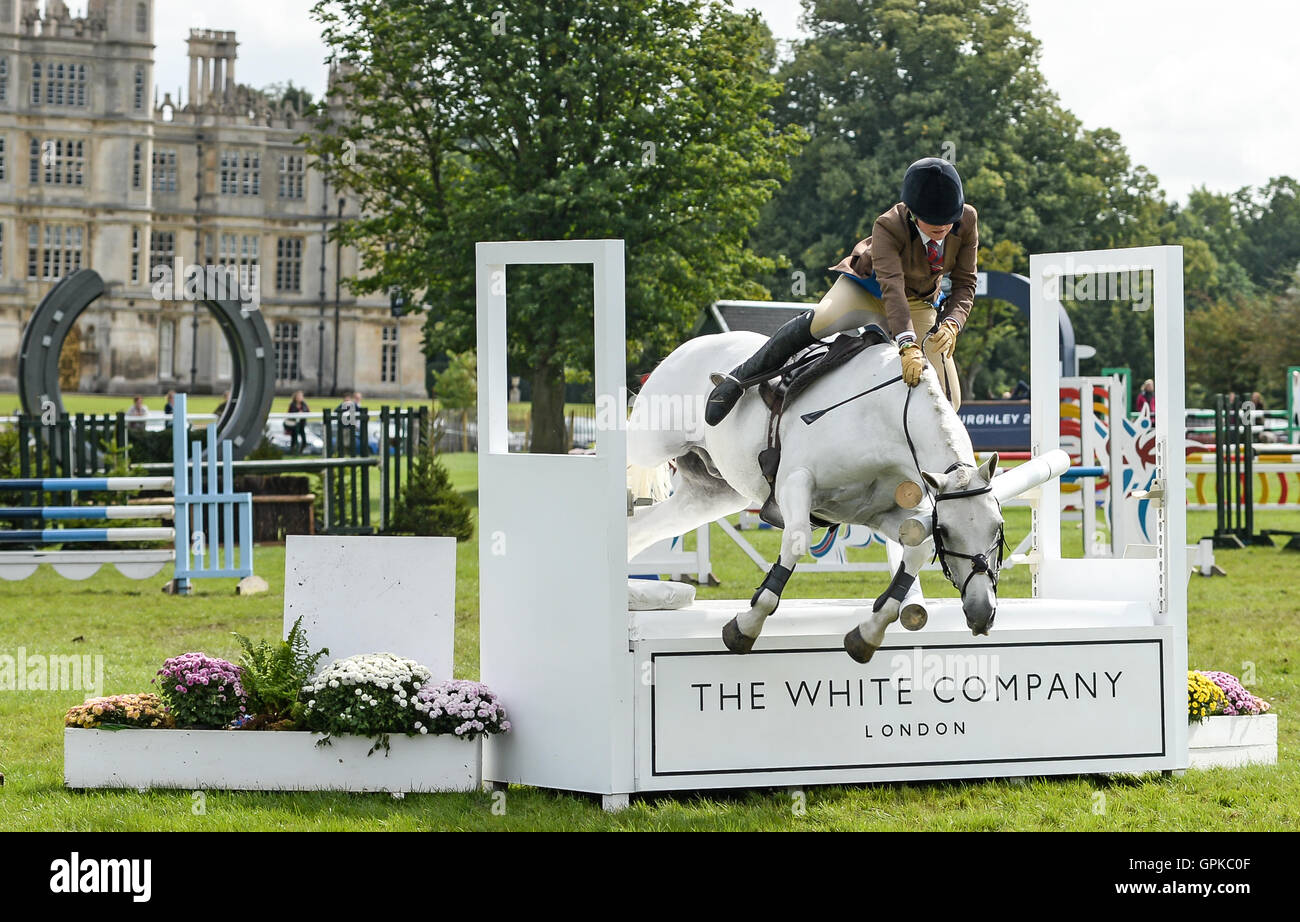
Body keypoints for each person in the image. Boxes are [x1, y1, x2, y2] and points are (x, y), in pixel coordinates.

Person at [706, 157, 977, 425]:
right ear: (913, 214)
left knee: (949, 399)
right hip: (868, 288)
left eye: (949, 222)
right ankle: (738, 379)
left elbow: (965, 282)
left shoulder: (967, 220)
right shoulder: (888, 225)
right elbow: (892, 287)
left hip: (918, 300)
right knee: (822, 319)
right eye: (933, 223)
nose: (943, 229)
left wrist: (952, 323)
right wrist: (907, 344)